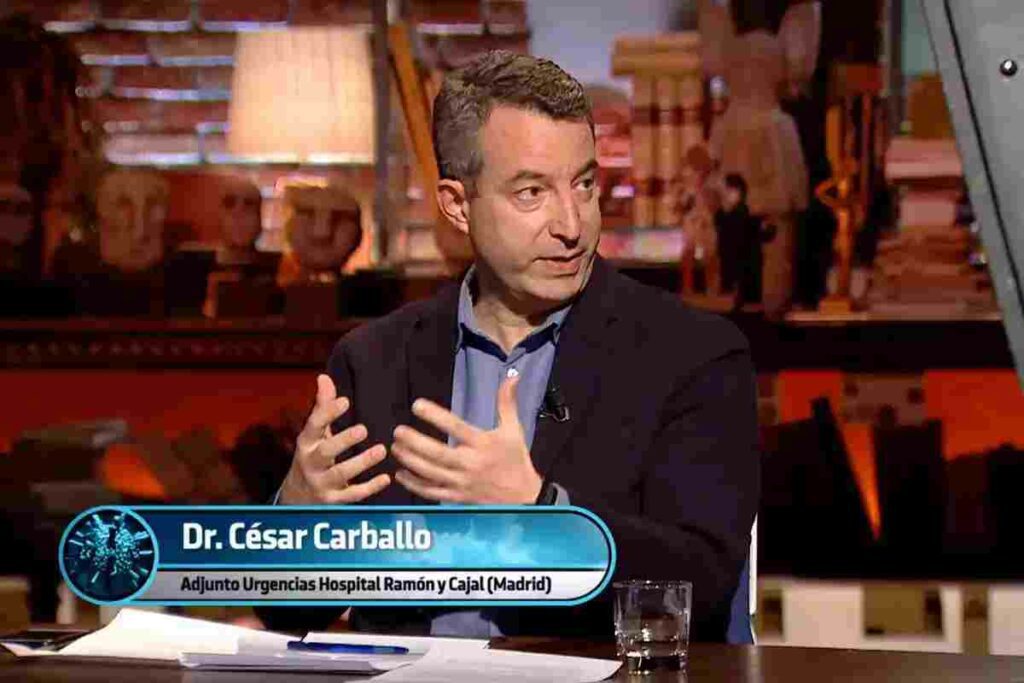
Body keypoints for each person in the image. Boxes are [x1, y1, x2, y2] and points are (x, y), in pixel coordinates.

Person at [263, 50, 759, 642]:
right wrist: (294, 520)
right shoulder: (373, 361)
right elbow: (289, 615)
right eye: (531, 193)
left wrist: (541, 513)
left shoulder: (693, 355)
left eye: (584, 184)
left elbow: (702, 586)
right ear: (457, 205)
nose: (572, 225)